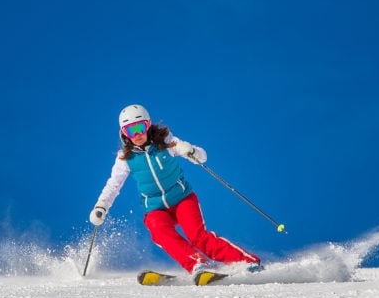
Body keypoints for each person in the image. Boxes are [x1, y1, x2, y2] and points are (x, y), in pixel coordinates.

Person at [89, 104, 261, 275]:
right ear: (123, 133)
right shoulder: (125, 158)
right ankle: (198, 264)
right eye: (130, 131)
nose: (137, 135)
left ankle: (248, 262)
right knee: (158, 231)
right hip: (155, 208)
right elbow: (114, 184)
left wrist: (191, 151)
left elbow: (202, 156)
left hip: (182, 199)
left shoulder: (165, 141)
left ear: (148, 125)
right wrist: (101, 205)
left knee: (198, 237)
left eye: (140, 128)